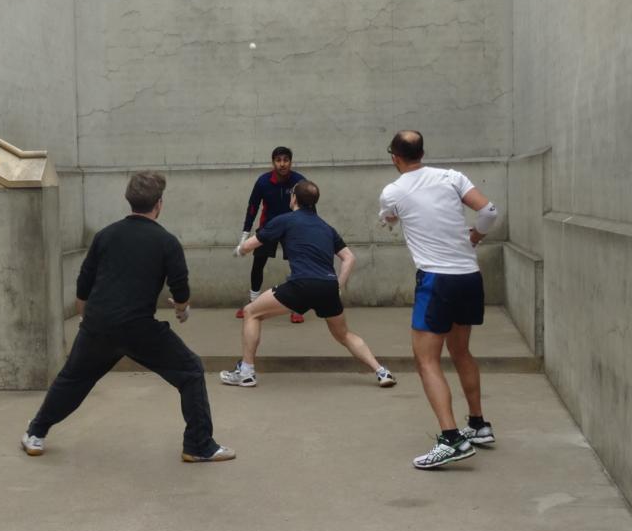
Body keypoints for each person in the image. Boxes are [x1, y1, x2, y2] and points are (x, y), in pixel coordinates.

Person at [21, 171, 235, 463]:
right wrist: (182, 308)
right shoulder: (166, 241)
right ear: (159, 203)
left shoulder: (105, 235)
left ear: (129, 200)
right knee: (191, 371)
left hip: (98, 325)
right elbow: (180, 287)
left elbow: (84, 282)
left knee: (73, 379)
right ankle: (198, 445)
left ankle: (35, 433)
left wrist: (88, 320)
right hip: (139, 328)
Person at [378, 130, 500, 470]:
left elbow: (388, 217)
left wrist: (390, 218)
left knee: (426, 360)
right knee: (460, 351)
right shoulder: (451, 177)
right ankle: (477, 425)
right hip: (469, 278)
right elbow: (488, 211)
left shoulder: (393, 191)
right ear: (422, 151)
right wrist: (475, 236)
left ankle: (451, 440)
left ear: (394, 157)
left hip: (436, 282)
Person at [220, 179, 396, 389]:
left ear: (294, 198)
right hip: (328, 287)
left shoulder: (285, 220)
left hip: (302, 285)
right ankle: (381, 371)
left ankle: (246, 373)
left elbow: (251, 244)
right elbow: (349, 258)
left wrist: (239, 250)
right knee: (344, 334)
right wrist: (338, 285)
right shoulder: (326, 227)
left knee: (251, 312)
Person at [236, 146, 307, 323]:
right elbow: (253, 207)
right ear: (273, 162)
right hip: (268, 227)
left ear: (291, 162)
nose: (282, 164)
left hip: (293, 228)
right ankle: (253, 304)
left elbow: (309, 206)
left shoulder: (300, 181)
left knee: (297, 266)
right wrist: (245, 233)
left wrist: (310, 230)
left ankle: (298, 307)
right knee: (258, 264)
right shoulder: (263, 182)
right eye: (278, 160)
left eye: (286, 160)